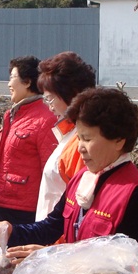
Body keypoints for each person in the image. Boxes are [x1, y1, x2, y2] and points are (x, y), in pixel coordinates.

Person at [0, 87, 138, 274]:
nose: (80, 147)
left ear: (119, 141)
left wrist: (53, 257)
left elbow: (117, 266)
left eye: (88, 139)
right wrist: (13, 232)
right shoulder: (82, 177)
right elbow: (52, 226)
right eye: (79, 138)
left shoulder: (136, 194)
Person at [0, 55, 58, 225]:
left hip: (25, 208)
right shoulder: (13, 114)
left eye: (12, 77)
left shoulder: (45, 117)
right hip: (3, 200)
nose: (9, 84)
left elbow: (51, 170)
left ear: (27, 82)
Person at [34, 52, 96, 219]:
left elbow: (78, 202)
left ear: (72, 94)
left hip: (60, 237)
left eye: (50, 99)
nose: (49, 106)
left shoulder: (80, 140)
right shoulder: (69, 132)